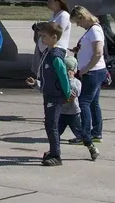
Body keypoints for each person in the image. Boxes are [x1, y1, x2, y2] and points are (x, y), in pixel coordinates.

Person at [26, 22, 97, 166]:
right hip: (49, 94)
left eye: (44, 36)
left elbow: (63, 77)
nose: (42, 38)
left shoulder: (55, 57)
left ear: (54, 37)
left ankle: (56, 155)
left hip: (56, 97)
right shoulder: (48, 52)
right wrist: (36, 84)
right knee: (51, 125)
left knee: (52, 125)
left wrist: (66, 93)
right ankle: (53, 150)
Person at [69, 6, 106, 144]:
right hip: (95, 71)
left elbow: (98, 52)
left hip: (93, 72)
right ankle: (96, 133)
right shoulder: (91, 30)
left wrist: (86, 69)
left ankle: (84, 135)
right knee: (93, 103)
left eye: (78, 22)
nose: (78, 25)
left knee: (84, 102)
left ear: (82, 17)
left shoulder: (95, 30)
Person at [33, 0, 71, 76]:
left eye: (50, 1)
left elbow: (56, 33)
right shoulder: (54, 14)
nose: (48, 3)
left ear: (57, 2)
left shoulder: (64, 16)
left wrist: (41, 31)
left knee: (53, 76)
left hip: (56, 51)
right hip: (47, 49)